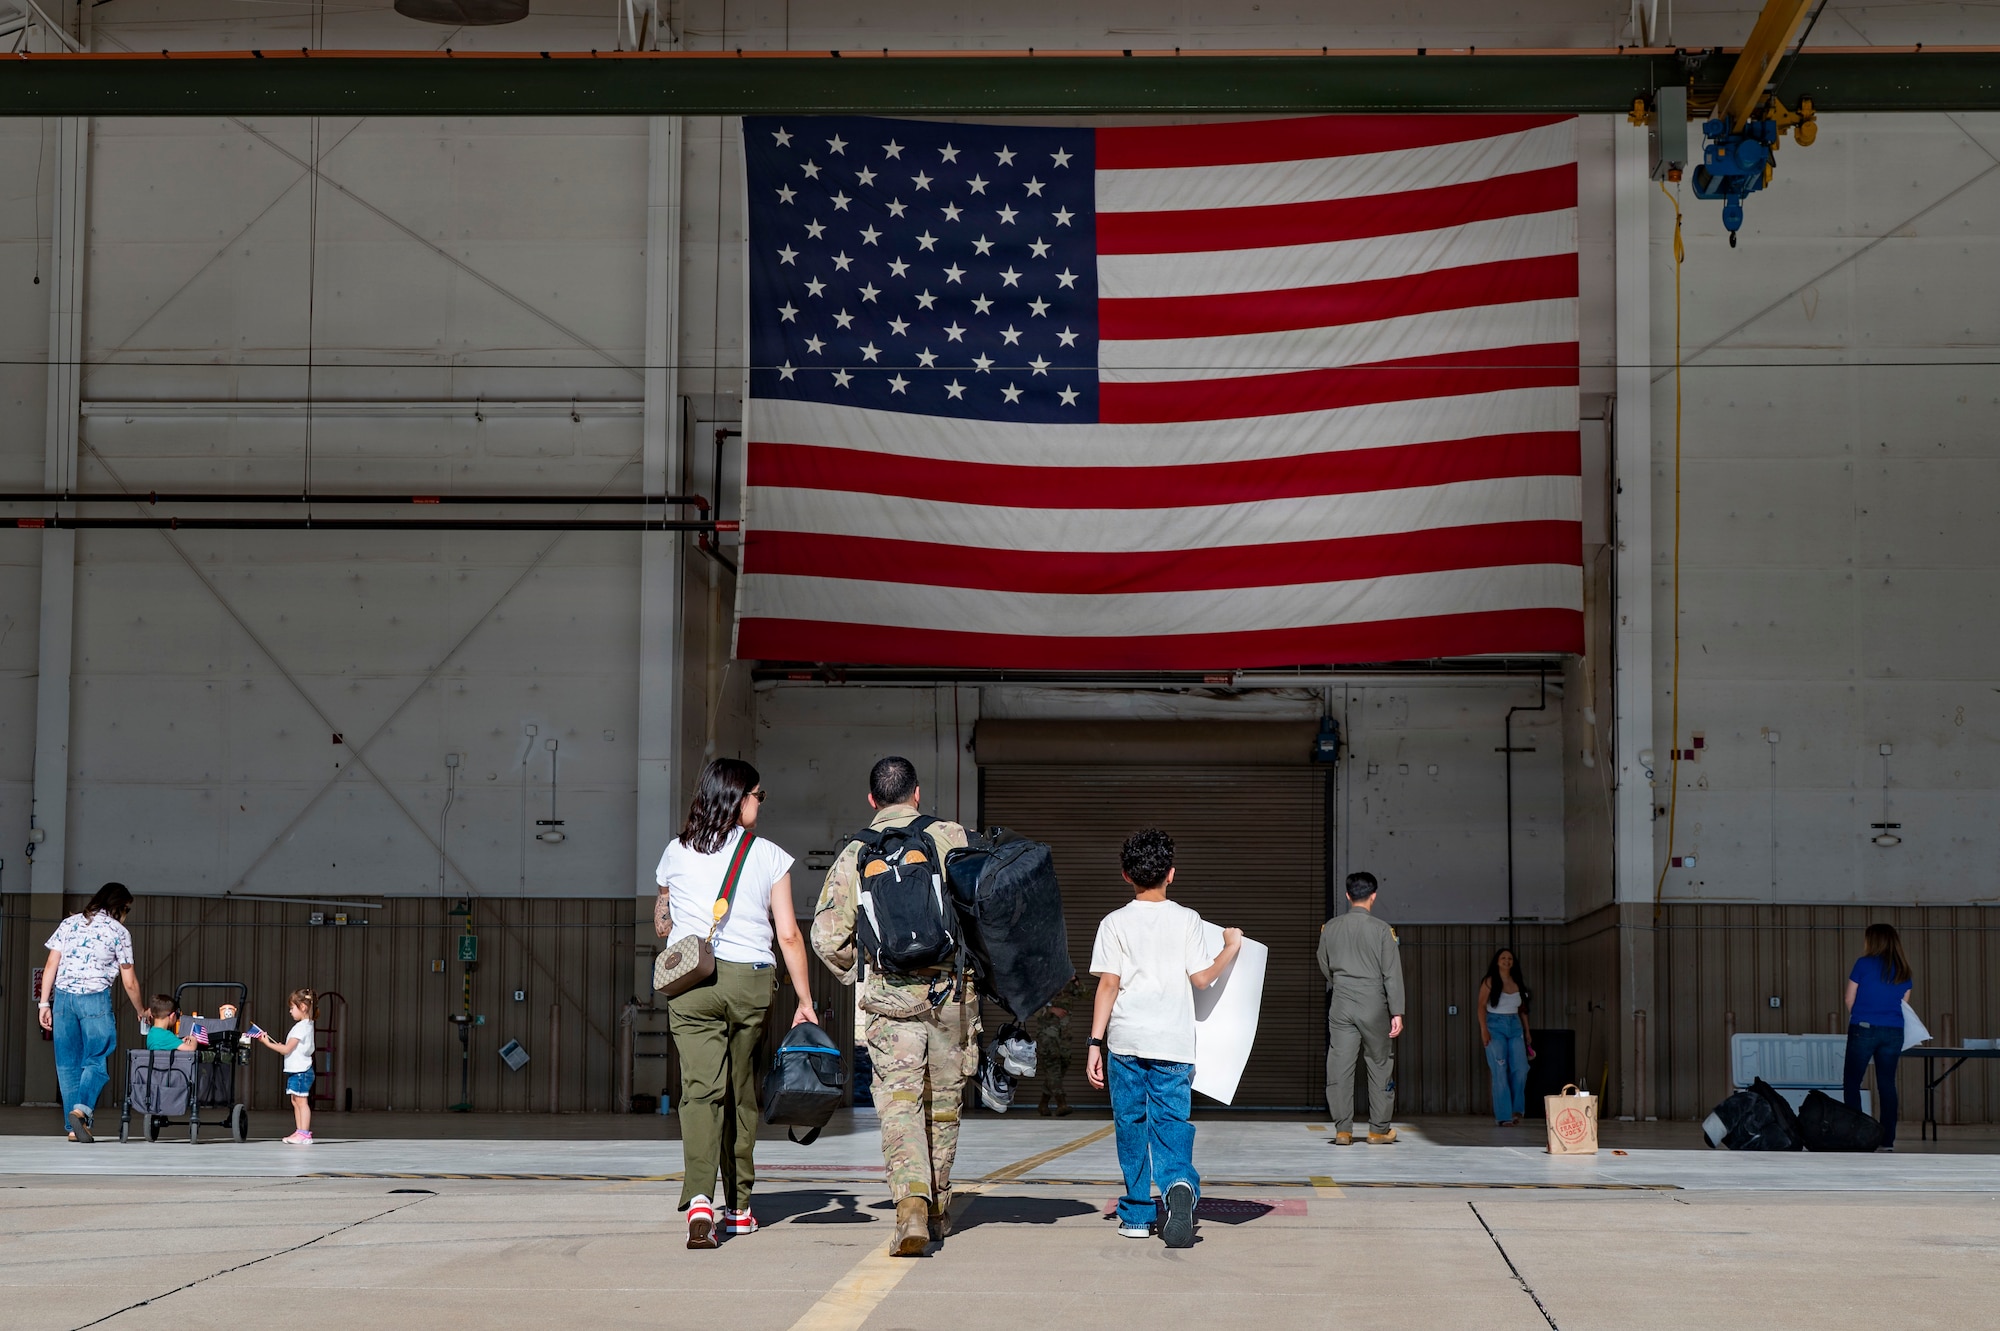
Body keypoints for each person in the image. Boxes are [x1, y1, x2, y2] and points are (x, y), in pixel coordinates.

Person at [812, 755, 974, 1258]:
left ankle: (910, 1208)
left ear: (871, 800)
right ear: (917, 793)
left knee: (901, 1105)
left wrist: (865, 964)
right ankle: (940, 1208)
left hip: (890, 1001)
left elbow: (825, 937)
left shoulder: (855, 853)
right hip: (951, 996)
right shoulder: (951, 838)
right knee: (943, 1108)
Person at [658, 757, 816, 1248]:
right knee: (740, 1089)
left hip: (692, 981)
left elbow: (662, 923)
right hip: (749, 981)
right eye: (758, 795)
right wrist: (805, 1000)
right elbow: (789, 935)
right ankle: (741, 1207)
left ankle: (700, 1199)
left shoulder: (675, 852)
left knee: (700, 1090)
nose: (760, 804)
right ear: (737, 797)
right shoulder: (770, 855)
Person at [1085, 827, 1243, 1250]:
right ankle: (1178, 1186)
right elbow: (1202, 978)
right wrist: (1231, 946)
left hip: (1125, 1043)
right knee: (1171, 1122)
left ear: (1125, 875)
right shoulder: (1187, 919)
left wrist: (1094, 1043)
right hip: (1173, 1043)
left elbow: (1108, 987)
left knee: (1130, 1124)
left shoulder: (1113, 923)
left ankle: (1137, 1215)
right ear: (1171, 874)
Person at [38, 882, 145, 1142]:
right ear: (119, 906)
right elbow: (128, 979)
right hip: (94, 999)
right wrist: (141, 1009)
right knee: (96, 1059)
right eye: (126, 909)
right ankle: (82, 1111)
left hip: (63, 999)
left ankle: (74, 1128)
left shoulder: (69, 923)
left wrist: (43, 1003)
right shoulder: (118, 931)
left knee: (67, 1065)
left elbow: (51, 964)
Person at [1318, 871, 1405, 1146]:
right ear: (1374, 896)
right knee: (1379, 1063)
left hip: (1341, 1000)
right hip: (1374, 1003)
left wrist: (1340, 983)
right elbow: (1392, 973)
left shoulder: (1330, 927)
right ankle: (1378, 1130)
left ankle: (1343, 1130)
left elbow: (1323, 962)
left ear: (1347, 895)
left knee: (1340, 1065)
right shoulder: (1382, 930)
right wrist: (1397, 1011)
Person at [1844, 922, 1913, 1152]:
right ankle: (1887, 1141)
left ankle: (1856, 1136)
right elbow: (1904, 1004)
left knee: (1853, 1082)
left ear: (1872, 940)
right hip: (1893, 1031)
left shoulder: (1863, 963)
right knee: (1887, 1084)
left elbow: (1849, 998)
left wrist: (1860, 1018)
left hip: (1863, 1026)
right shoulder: (1904, 969)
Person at [1478, 948, 1535, 1126]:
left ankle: (1516, 1109)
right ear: (1497, 961)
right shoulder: (1490, 981)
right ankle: (1503, 1116)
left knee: (1521, 1067)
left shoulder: (1517, 982)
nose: (1506, 961)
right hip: (1495, 1025)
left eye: (1510, 958)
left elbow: (1523, 1010)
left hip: (1515, 1024)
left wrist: (1527, 1031)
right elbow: (1480, 1006)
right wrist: (1484, 1030)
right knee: (1500, 1069)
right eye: (1503, 958)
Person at [256, 989, 317, 1145]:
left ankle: (304, 1133)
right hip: (298, 1070)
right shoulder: (307, 1025)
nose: (290, 1011)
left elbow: (287, 1049)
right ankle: (300, 1131)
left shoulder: (300, 1027)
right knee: (296, 1101)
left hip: (300, 1071)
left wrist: (267, 1043)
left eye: (292, 1007)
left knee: (301, 1102)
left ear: (302, 1006)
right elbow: (293, 1048)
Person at [1034, 976, 1087, 1117]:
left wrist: (1075, 980)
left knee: (1064, 1063)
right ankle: (1061, 1102)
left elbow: (1085, 995)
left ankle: (1043, 1103)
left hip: (1064, 1031)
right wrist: (1050, 1010)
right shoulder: (1040, 979)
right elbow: (1030, 1004)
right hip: (1047, 1031)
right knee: (1052, 1065)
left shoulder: (1066, 978)